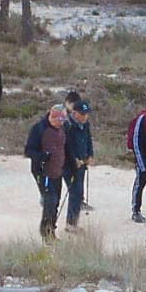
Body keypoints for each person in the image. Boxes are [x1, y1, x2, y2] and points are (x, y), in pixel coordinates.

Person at [24, 101, 75, 239]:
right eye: (60, 119)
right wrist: (42, 157)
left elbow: (67, 148)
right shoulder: (39, 129)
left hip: (57, 171)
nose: (62, 122)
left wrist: (73, 166)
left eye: (64, 119)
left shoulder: (64, 128)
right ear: (53, 117)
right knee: (50, 202)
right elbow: (28, 151)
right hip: (43, 172)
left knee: (56, 201)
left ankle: (51, 229)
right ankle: (46, 233)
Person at [63, 92, 94, 228]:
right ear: (75, 113)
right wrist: (74, 159)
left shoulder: (85, 124)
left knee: (78, 192)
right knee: (75, 191)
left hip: (82, 163)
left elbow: (88, 140)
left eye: (86, 113)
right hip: (69, 165)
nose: (85, 116)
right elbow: (67, 145)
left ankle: (73, 222)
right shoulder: (68, 125)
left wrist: (90, 155)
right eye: (82, 114)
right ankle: (71, 223)